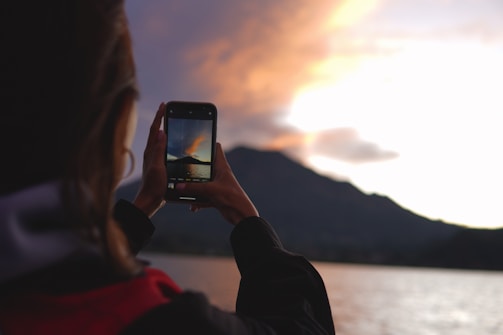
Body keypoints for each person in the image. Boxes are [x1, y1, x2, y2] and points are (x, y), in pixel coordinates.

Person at [0, 1, 335, 334]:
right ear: (114, 120)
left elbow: (67, 275)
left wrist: (143, 204)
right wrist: (246, 218)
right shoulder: (151, 318)